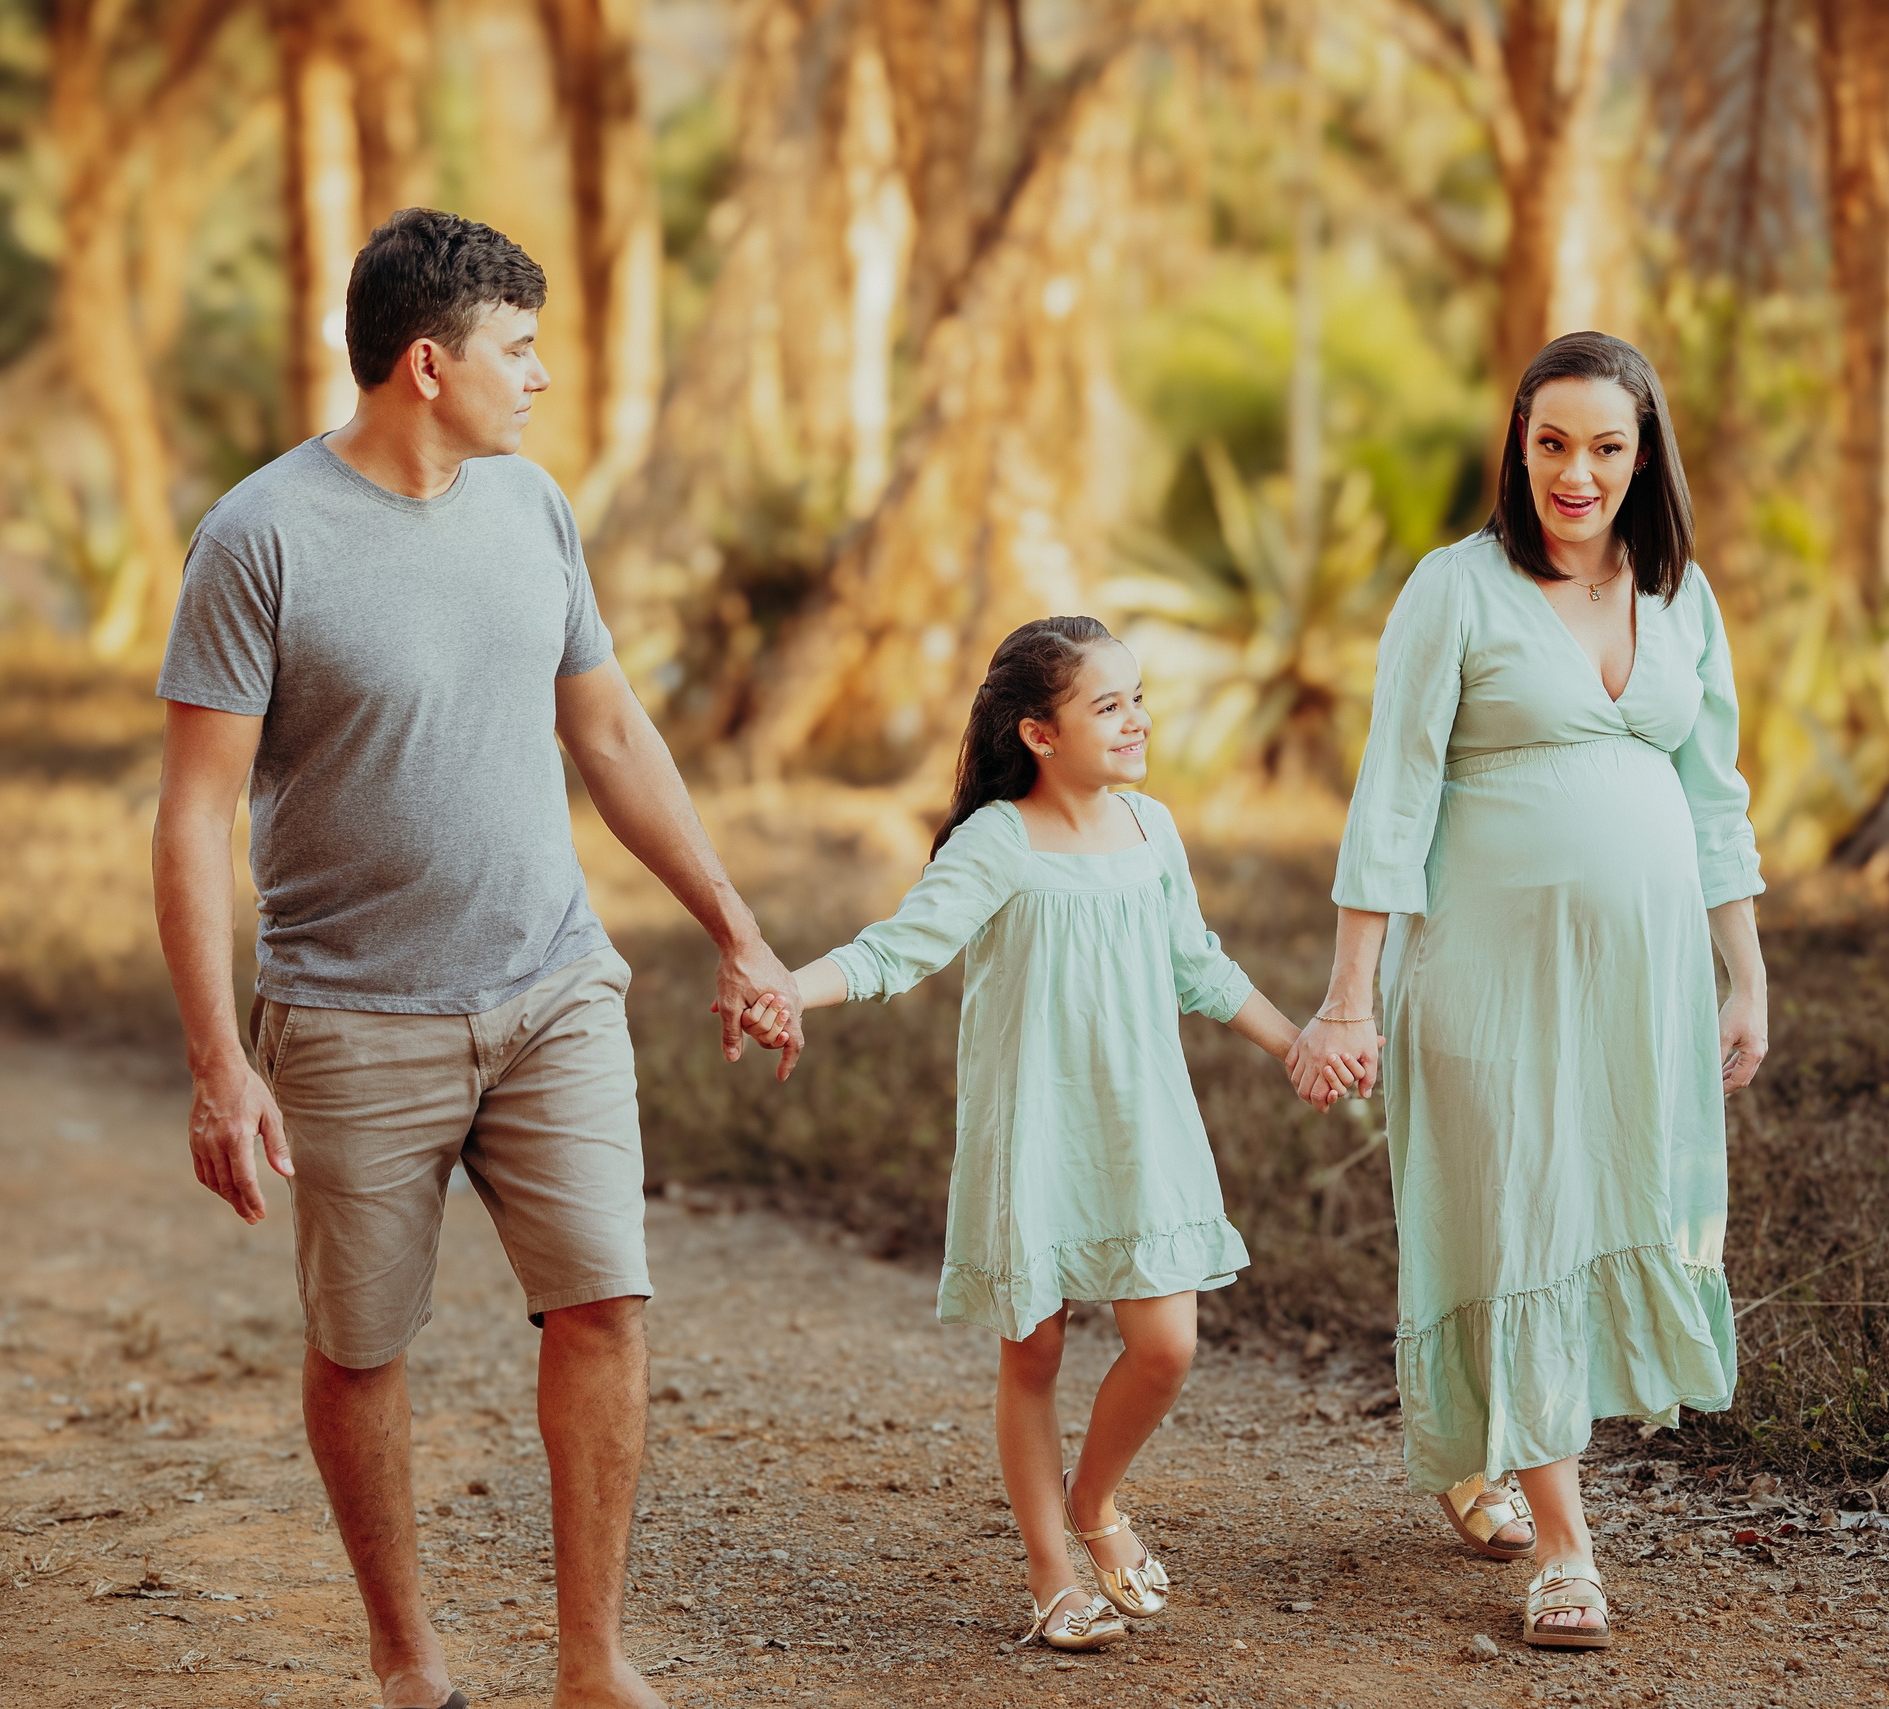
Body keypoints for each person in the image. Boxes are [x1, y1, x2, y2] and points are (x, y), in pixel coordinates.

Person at [152, 207, 796, 1709]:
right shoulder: (259, 539)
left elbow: (611, 732)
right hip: (350, 1013)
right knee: (362, 1347)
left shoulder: (531, 507)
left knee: (606, 1306)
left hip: (553, 986)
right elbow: (190, 817)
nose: (543, 376)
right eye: (519, 348)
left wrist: (734, 922)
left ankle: (591, 1662)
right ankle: (407, 1662)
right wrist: (216, 1062)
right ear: (427, 363)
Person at [1285, 331, 1769, 1651]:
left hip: (1640, 990)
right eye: (1551, 442)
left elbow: (1714, 795)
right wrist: (1348, 998)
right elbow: (1390, 799)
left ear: (1644, 454)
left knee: (1603, 1206)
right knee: (1525, 1223)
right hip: (1488, 984)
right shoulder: (1459, 590)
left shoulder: (1680, 595)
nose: (1575, 471)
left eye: (1606, 445)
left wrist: (1746, 975)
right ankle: (1565, 1549)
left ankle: (1480, 1452)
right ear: (1517, 444)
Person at [743, 618, 1337, 1651]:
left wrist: (1295, 1044)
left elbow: (1196, 961)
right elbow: (897, 948)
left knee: (1165, 1345)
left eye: (1137, 696)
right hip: (1035, 1133)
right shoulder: (997, 842)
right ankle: (1052, 1572)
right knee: (1036, 1348)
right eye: (1108, 704)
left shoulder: (1152, 829)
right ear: (1040, 732)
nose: (1136, 717)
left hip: (1138, 1126)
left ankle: (1093, 1498)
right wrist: (786, 990)